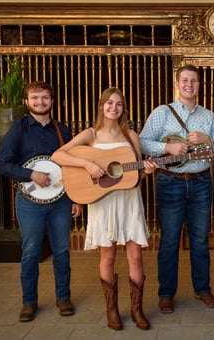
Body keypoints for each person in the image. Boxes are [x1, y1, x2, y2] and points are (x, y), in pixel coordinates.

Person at [51, 87, 158, 330]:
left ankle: (136, 309)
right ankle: (111, 310)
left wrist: (147, 171)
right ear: (102, 106)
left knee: (136, 255)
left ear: (124, 109)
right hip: (103, 201)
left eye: (119, 104)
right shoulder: (91, 134)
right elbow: (58, 155)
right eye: (109, 103)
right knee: (107, 256)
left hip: (129, 200)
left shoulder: (131, 135)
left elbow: (136, 174)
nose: (114, 107)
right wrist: (87, 163)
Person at [139, 64, 214, 314]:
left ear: (200, 85)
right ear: (177, 84)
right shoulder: (162, 113)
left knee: (199, 240)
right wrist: (166, 149)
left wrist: (209, 140)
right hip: (170, 182)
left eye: (194, 81)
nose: (189, 84)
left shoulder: (209, 117)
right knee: (169, 241)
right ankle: (166, 293)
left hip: (200, 182)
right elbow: (143, 140)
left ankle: (202, 289)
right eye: (185, 80)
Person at [0, 81, 83, 322]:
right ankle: (29, 302)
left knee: (62, 251)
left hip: (61, 201)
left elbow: (72, 165)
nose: (40, 102)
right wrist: (31, 174)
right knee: (31, 252)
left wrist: (75, 198)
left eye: (44, 97)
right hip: (29, 201)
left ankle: (63, 297)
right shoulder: (19, 129)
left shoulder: (62, 130)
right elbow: (3, 163)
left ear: (52, 101)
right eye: (35, 98)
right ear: (26, 102)